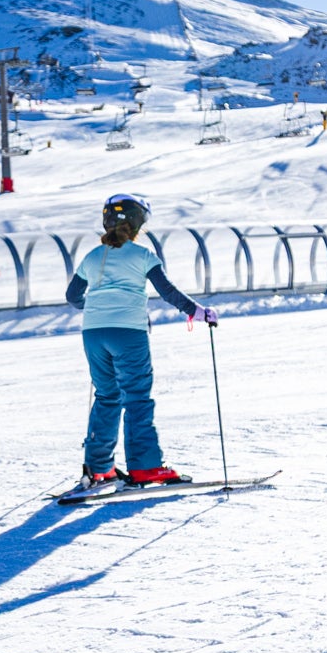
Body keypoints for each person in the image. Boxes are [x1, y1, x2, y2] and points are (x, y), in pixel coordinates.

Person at [64, 192, 212, 488]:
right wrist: (198, 311)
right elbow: (167, 291)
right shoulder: (143, 255)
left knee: (107, 396)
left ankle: (99, 468)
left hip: (93, 333)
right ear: (137, 225)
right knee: (136, 399)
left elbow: (72, 296)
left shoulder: (92, 256)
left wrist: (97, 308)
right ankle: (146, 467)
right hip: (128, 332)